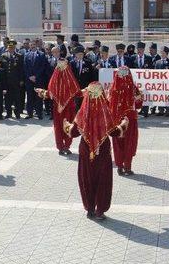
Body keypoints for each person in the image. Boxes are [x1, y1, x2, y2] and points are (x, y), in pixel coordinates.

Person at [63, 82, 128, 220]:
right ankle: (100, 211)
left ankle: (90, 209)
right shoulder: (105, 112)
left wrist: (66, 126)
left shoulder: (82, 113)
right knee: (102, 180)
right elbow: (114, 132)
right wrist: (123, 125)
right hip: (103, 151)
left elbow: (73, 132)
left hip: (86, 151)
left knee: (86, 178)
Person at [36, 58, 80, 155]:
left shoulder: (58, 76)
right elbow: (77, 91)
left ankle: (62, 147)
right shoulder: (64, 76)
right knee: (63, 125)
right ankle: (64, 147)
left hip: (62, 107)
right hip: (65, 107)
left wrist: (43, 92)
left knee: (60, 126)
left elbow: (50, 92)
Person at [109, 66, 143, 176]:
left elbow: (109, 104)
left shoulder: (112, 88)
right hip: (130, 120)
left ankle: (119, 166)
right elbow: (138, 105)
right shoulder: (133, 88)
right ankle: (127, 167)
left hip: (117, 120)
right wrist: (140, 97)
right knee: (129, 143)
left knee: (118, 143)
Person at [0, 41, 24, 119]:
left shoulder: (19, 56)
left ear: (15, 48)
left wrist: (21, 79)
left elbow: (21, 69)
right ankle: (8, 113)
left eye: (12, 48)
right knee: (7, 98)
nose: (11, 49)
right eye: (9, 47)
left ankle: (17, 113)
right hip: (6, 81)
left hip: (16, 81)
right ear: (7, 48)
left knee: (17, 97)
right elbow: (2, 68)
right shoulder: (3, 55)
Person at [23, 40, 47, 119]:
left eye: (33, 44)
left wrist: (35, 76)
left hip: (38, 79)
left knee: (38, 97)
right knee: (29, 97)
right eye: (31, 45)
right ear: (29, 46)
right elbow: (25, 67)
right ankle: (30, 114)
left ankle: (39, 113)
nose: (32, 46)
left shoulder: (41, 54)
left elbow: (43, 67)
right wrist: (30, 76)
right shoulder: (26, 55)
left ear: (36, 45)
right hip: (29, 80)